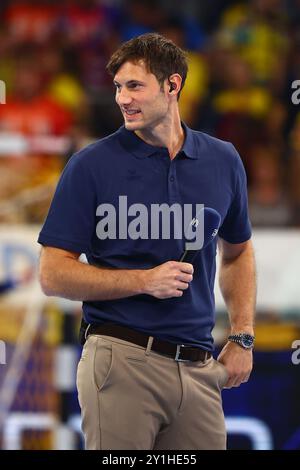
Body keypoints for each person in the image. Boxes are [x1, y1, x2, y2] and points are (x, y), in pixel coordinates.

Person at [38, 33, 256, 450]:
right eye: (118, 87)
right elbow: (52, 273)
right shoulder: (90, 165)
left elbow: (239, 251)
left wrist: (242, 335)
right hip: (120, 358)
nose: (122, 98)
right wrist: (143, 280)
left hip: (198, 367)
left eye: (134, 85)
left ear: (172, 86)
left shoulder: (223, 160)